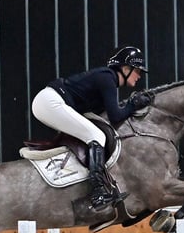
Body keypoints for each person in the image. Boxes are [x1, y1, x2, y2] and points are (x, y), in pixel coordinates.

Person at [32, 45, 152, 211]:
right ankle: (97, 192)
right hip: (50, 102)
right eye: (137, 71)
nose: (139, 76)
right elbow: (116, 116)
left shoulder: (107, 79)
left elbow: (111, 118)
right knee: (97, 136)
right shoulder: (108, 78)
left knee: (94, 133)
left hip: (48, 102)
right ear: (125, 68)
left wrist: (131, 105)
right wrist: (133, 105)